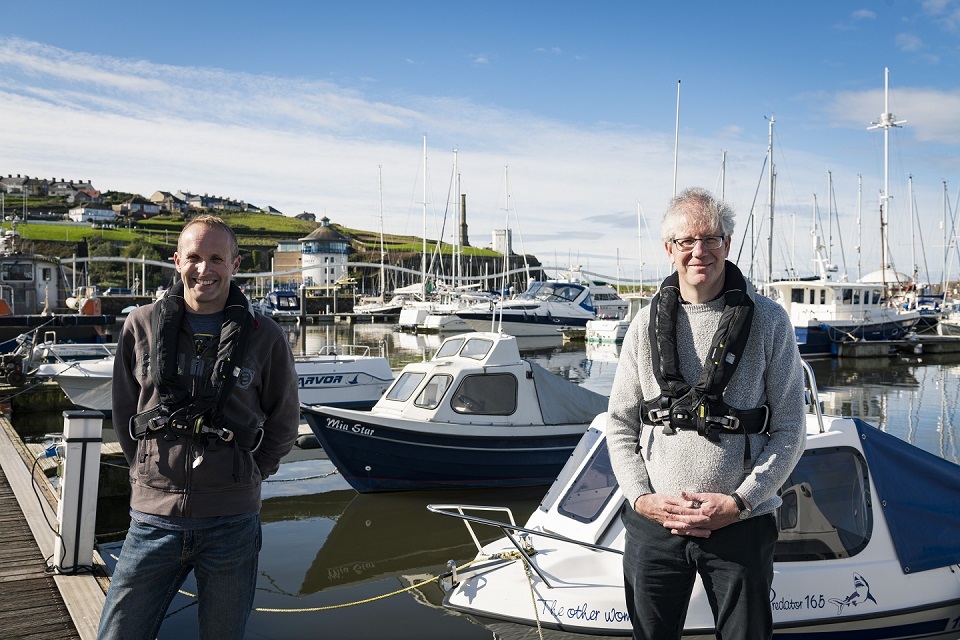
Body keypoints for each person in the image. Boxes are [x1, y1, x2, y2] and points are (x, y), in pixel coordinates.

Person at [606, 187, 806, 640]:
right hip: (655, 524)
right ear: (669, 249)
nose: (700, 251)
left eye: (711, 239)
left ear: (727, 244)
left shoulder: (770, 322)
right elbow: (619, 424)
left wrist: (740, 502)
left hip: (741, 526)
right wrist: (641, 498)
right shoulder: (642, 326)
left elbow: (791, 429)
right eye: (687, 241)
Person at [97, 215, 301, 640]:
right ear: (177, 261)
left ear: (235, 264)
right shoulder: (140, 325)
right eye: (194, 257)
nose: (204, 269)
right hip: (152, 521)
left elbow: (284, 421)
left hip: (232, 524)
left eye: (216, 259)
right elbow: (123, 412)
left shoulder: (267, 337)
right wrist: (145, 473)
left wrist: (250, 473)